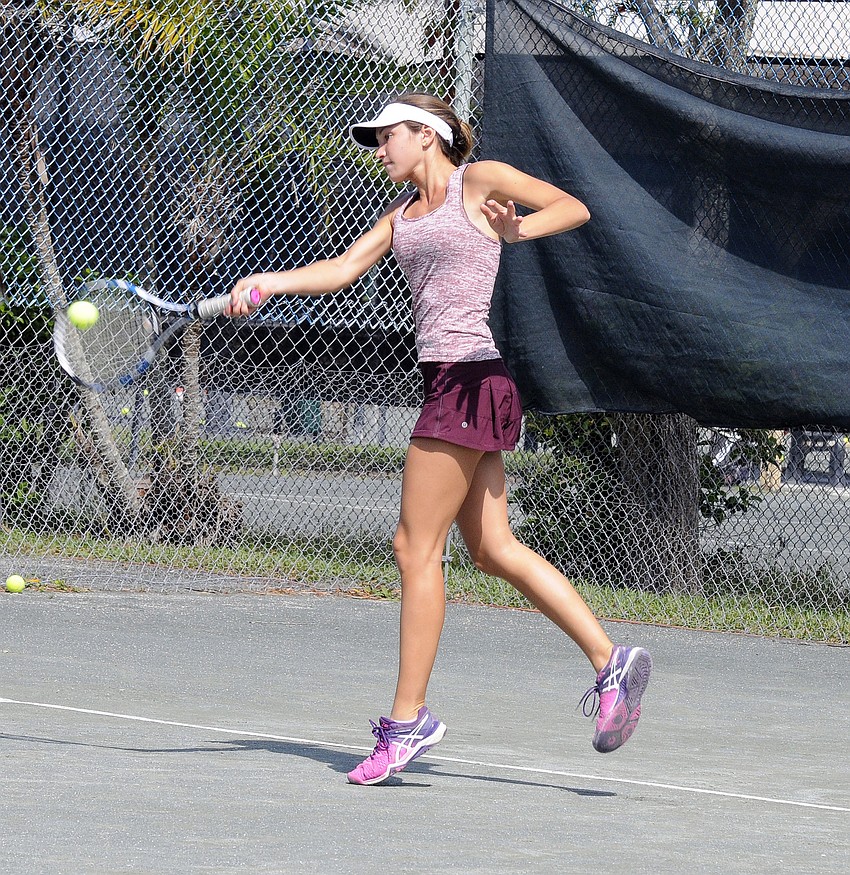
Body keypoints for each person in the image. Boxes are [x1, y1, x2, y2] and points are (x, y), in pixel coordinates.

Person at [227, 93, 652, 786]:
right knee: (492, 548)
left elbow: (573, 206)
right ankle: (612, 661)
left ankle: (406, 721)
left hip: (466, 379)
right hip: (461, 384)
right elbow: (340, 269)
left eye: (387, 137)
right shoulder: (399, 220)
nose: (379, 150)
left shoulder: (476, 182)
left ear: (426, 135)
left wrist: (517, 233)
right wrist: (268, 282)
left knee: (412, 546)